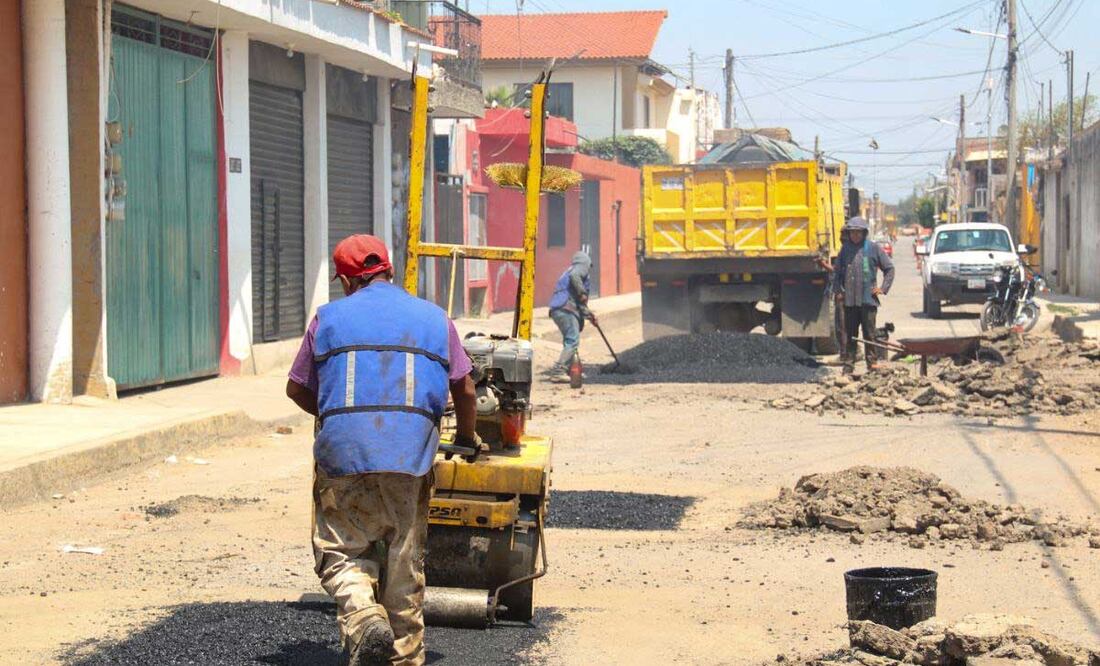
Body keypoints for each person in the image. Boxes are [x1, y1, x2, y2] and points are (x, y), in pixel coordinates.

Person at [286, 234, 479, 666]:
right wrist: (467, 438)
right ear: (389, 270)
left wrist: (338, 415)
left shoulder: (327, 319)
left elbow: (296, 388)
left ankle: (362, 614)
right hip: (410, 461)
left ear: (346, 281)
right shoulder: (435, 318)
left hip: (343, 459)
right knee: (404, 562)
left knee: (341, 551)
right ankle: (404, 657)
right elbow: (465, 390)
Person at [831, 217, 895, 372]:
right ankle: (849, 365)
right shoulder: (845, 250)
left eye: (858, 232)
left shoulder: (873, 248)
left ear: (864, 233)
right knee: (850, 335)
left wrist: (882, 288)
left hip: (868, 301)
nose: (855, 235)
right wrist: (838, 291)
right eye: (852, 232)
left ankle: (871, 364)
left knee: (869, 334)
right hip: (850, 302)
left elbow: (889, 269)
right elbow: (837, 272)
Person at [546, 251, 596, 378]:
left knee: (570, 341)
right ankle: (558, 371)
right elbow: (576, 278)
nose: (588, 270)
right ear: (585, 263)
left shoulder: (568, 273)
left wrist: (590, 315)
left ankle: (573, 370)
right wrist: (582, 292)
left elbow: (580, 304)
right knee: (573, 340)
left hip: (560, 309)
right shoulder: (578, 270)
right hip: (566, 309)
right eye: (588, 266)